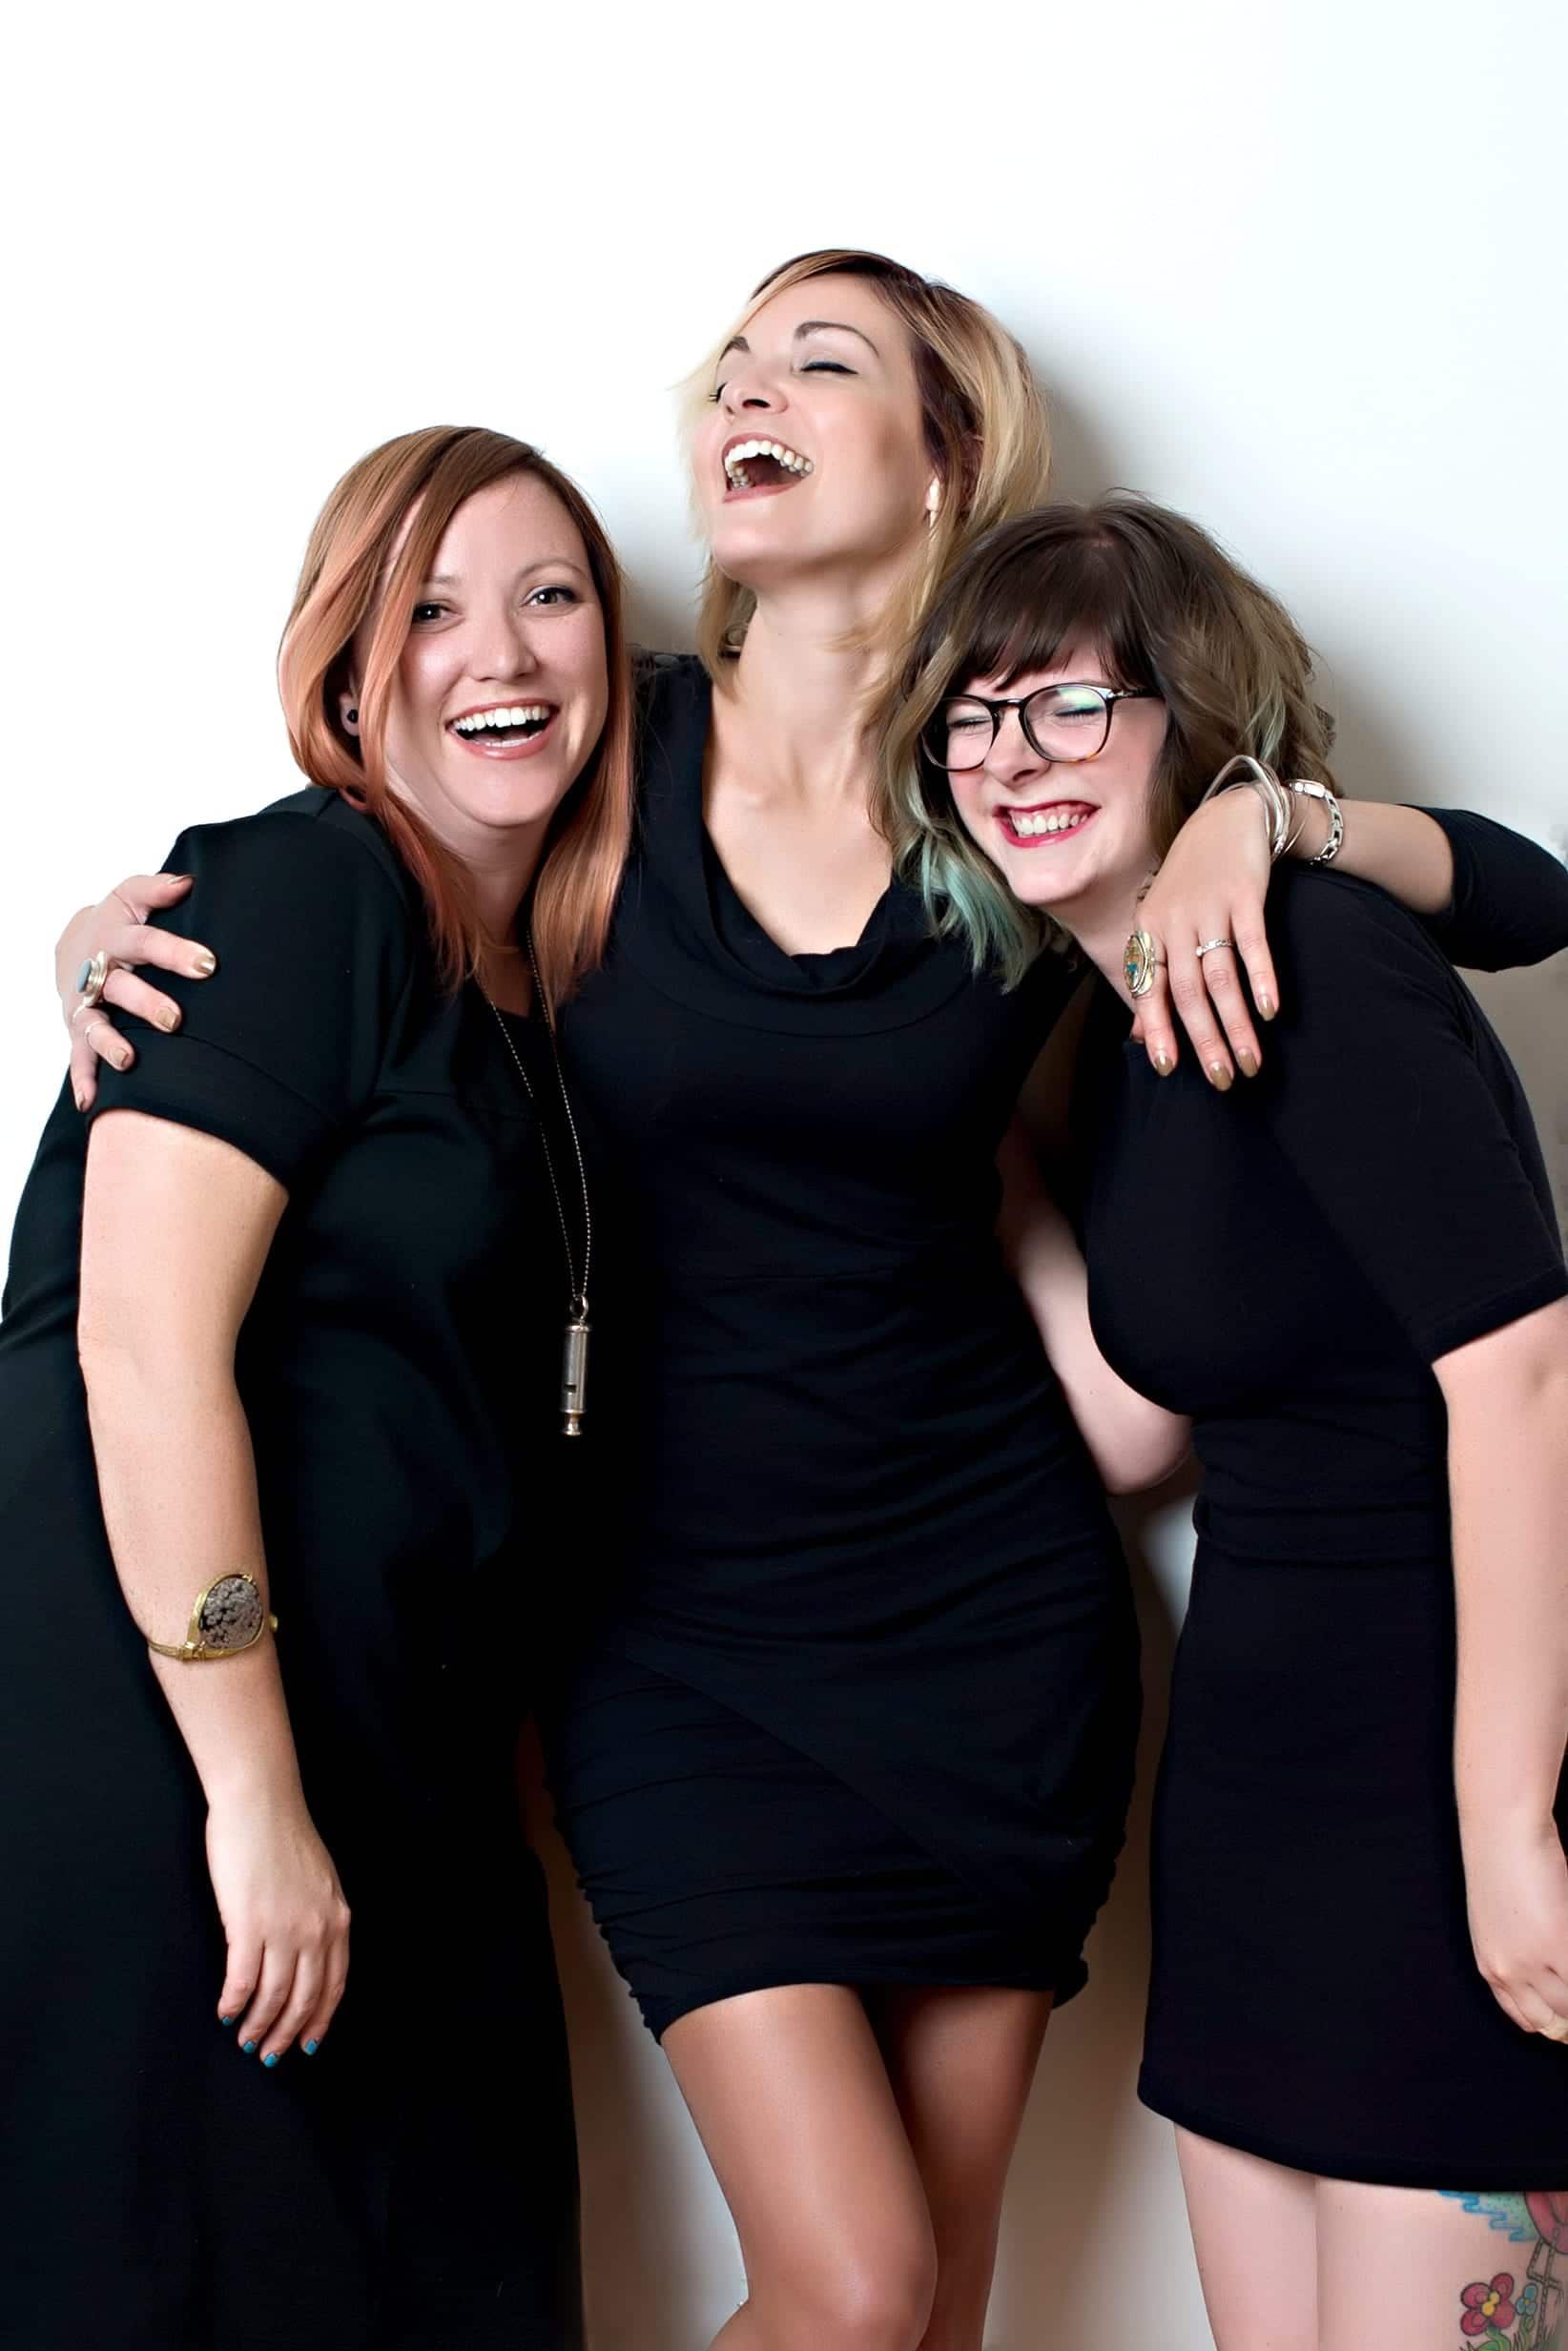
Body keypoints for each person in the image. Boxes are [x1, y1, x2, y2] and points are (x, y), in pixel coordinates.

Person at [52, 251, 1568, 2351]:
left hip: (993, 1625)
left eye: (818, 359)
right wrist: (125, 932)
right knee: (846, 2294)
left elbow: (1527, 898)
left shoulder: (1016, 808)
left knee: (930, 2312)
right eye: (731, 365)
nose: (742, 391)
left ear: (948, 462)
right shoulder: (596, 760)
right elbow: (373, 868)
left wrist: (1277, 824)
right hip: (670, 1644)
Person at [892, 491, 1568, 2351]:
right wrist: (984, 1172)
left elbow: (1522, 1373)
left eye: (1072, 705)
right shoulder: (1125, 1040)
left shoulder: (1316, 960)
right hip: (1256, 1792)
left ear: (1191, 719)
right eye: (976, 713)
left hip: (1437, 1774)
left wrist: (1506, 1823)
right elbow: (1134, 1433)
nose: (1012, 755)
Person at [1, 422, 637, 2351]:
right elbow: (139, 1346)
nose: (501, 655)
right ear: (348, 670)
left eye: (553, 597)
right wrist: (251, 1802)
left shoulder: (547, 989)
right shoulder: (305, 896)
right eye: (430, 609)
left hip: (397, 1765)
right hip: (175, 1748)